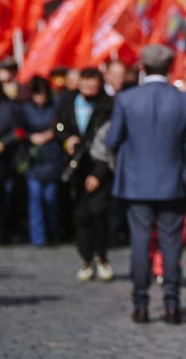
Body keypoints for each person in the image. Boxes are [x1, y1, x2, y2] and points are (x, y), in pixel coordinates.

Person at [105, 45, 186, 324]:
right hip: (173, 182)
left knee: (140, 243)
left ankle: (141, 305)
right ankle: (172, 304)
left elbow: (112, 140)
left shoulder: (126, 99)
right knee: (171, 246)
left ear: (142, 67)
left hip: (136, 183)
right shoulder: (184, 100)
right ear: (170, 69)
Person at [54, 68, 114, 282]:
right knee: (81, 214)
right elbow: (58, 126)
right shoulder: (67, 102)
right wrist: (66, 138)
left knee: (98, 211)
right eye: (86, 84)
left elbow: (110, 144)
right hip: (76, 167)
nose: (90, 89)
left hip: (101, 167)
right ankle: (87, 258)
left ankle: (102, 256)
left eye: (94, 85)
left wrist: (99, 173)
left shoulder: (109, 106)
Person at [19, 77, 64, 246]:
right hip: (34, 159)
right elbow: (19, 130)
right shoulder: (26, 110)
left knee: (50, 198)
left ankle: (53, 231)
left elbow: (61, 126)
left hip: (52, 157)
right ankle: (38, 236)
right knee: (35, 198)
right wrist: (31, 137)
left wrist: (53, 134)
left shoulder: (55, 108)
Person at [0, 78, 21, 244]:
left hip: (1, 163)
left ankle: (0, 233)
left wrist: (3, 143)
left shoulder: (7, 108)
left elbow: (18, 131)